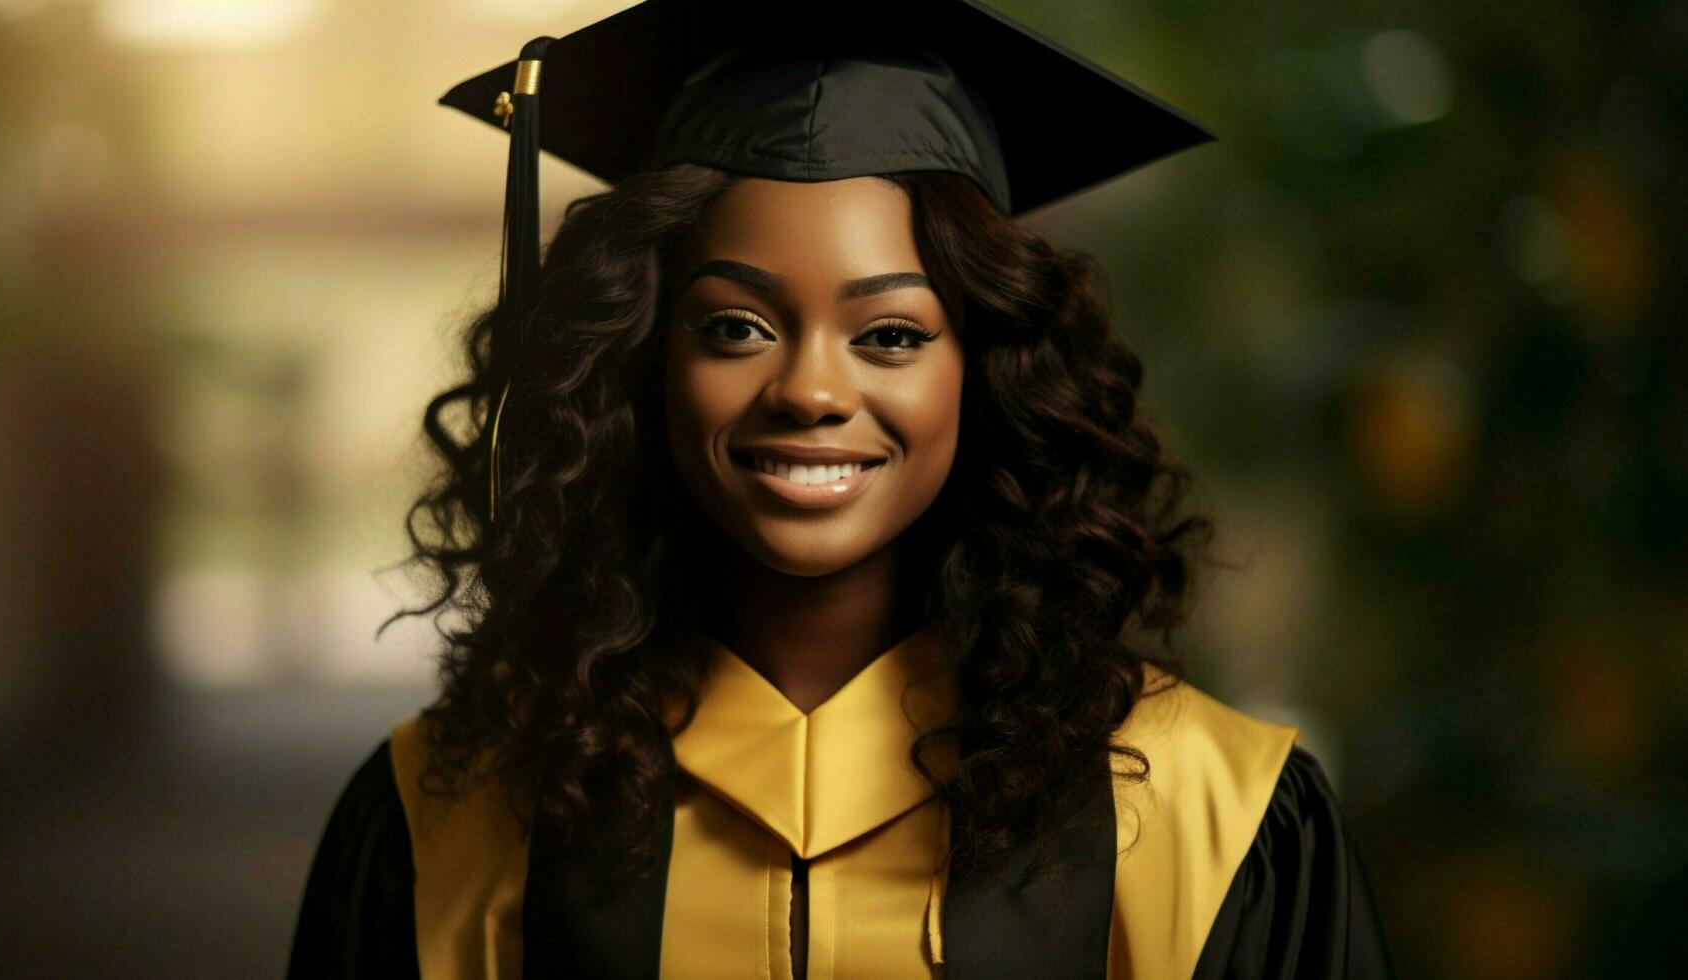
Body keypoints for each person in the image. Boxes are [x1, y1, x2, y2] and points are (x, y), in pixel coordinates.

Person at [286, 0, 1396, 977]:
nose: (812, 388)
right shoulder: (450, 817)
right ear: (640, 359)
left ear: (990, 368)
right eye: (735, 326)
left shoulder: (1210, 814)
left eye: (892, 333)